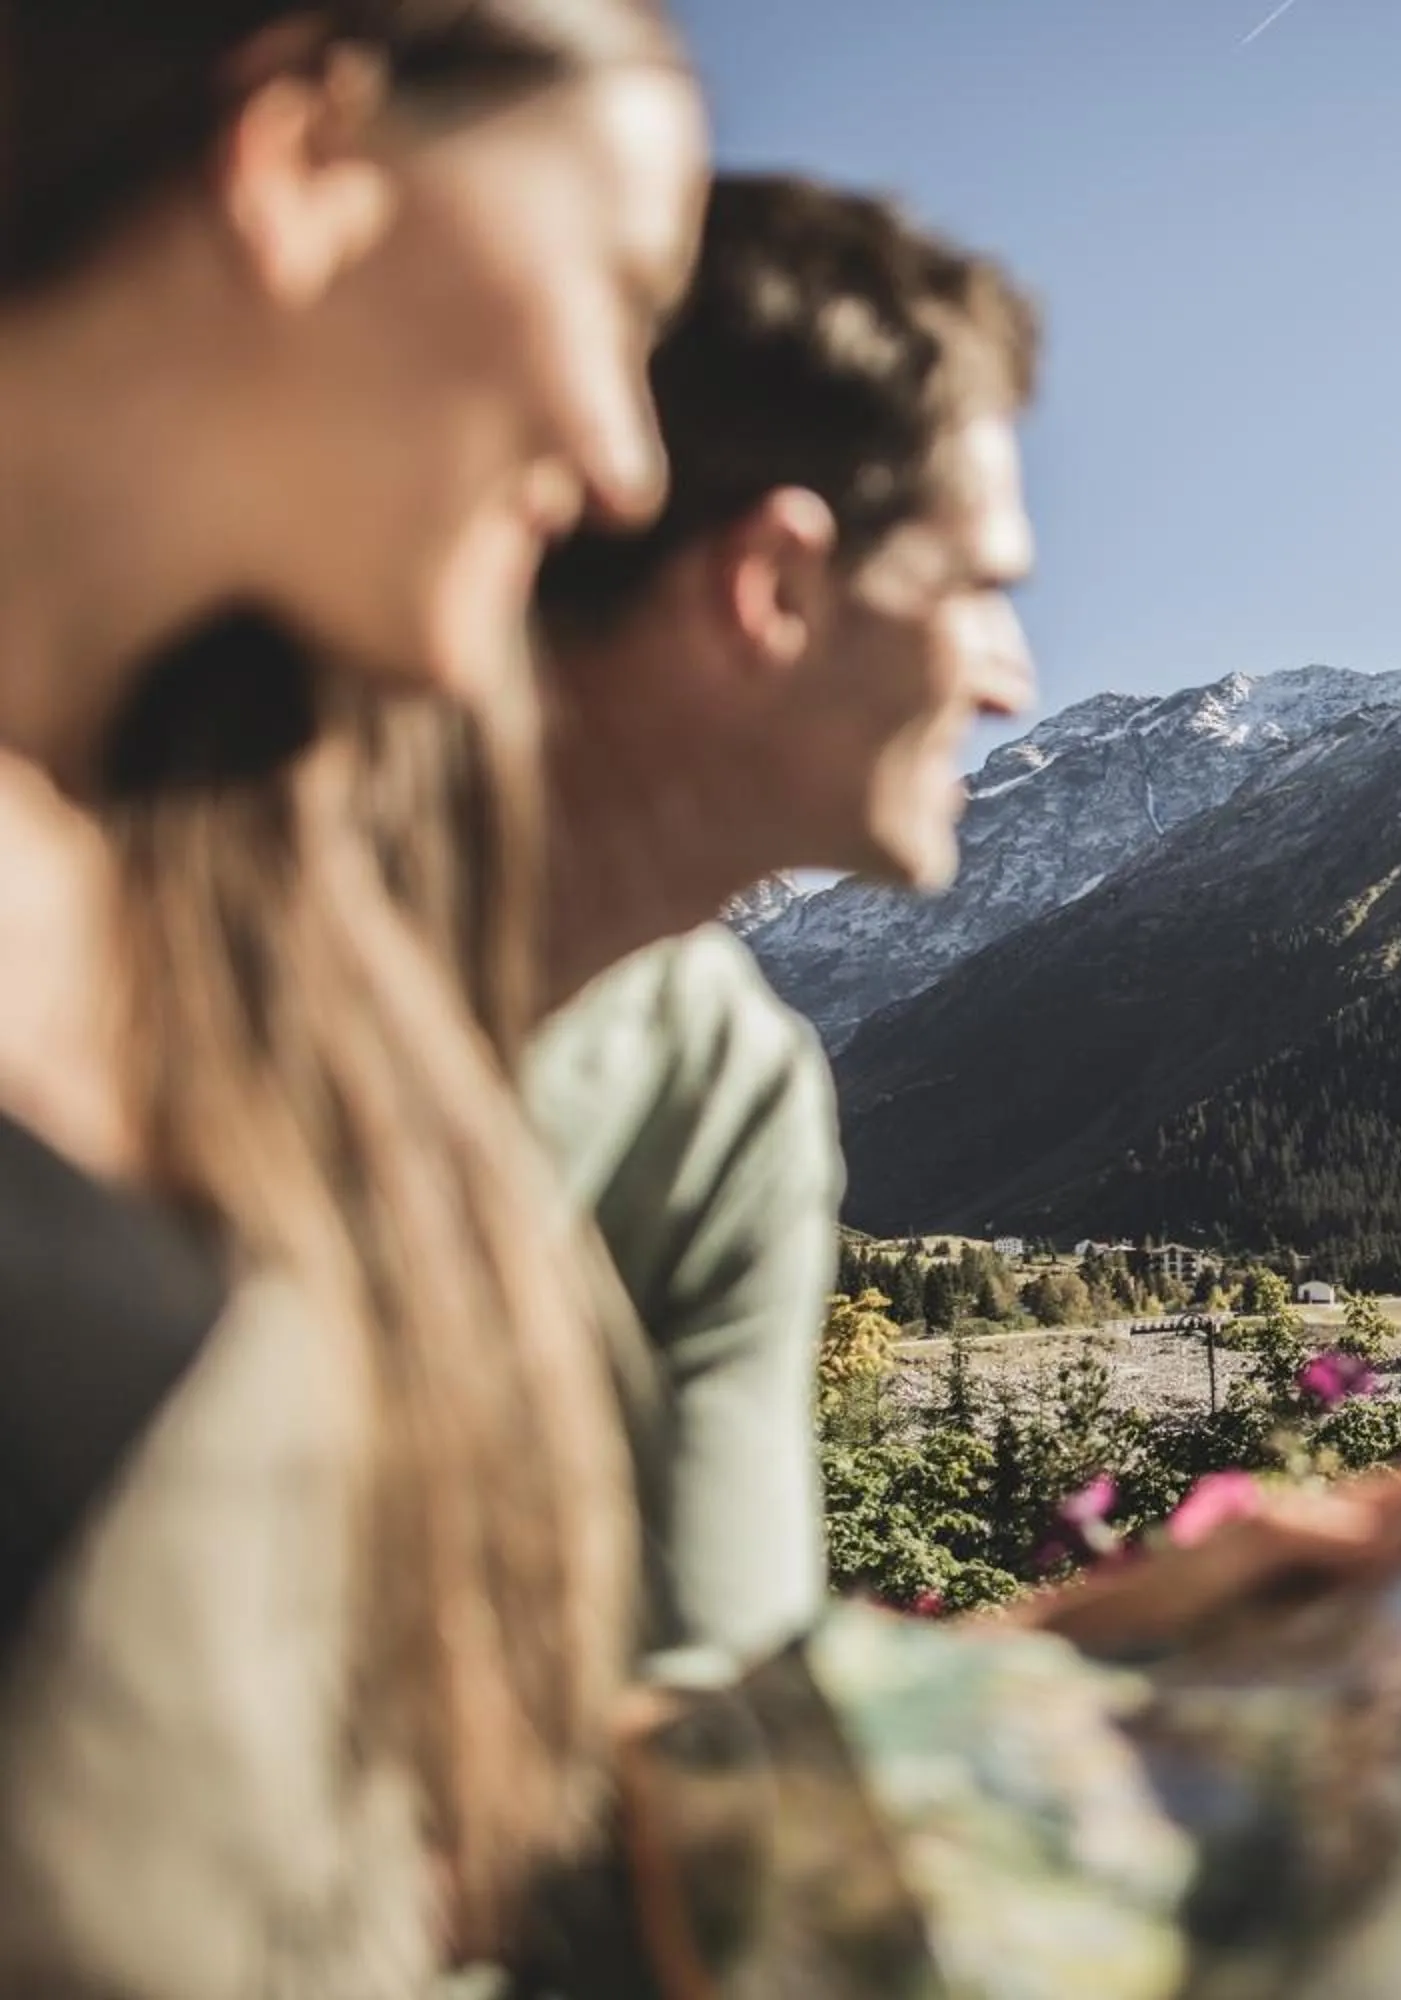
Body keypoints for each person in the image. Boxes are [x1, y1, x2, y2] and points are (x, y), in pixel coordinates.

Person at [0, 2, 710, 1988]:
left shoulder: (258, 910)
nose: (626, 458)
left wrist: (1073, 1710)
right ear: (302, 162)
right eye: (623, 293)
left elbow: (365, 1872)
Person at [520, 171, 1039, 1674]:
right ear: (774, 587)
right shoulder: (120, 924)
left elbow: (709, 1731)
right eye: (979, 588)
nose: (1011, 679)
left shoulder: (722, 1089)